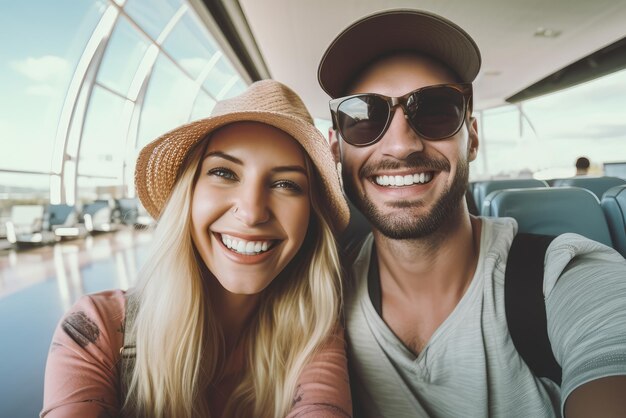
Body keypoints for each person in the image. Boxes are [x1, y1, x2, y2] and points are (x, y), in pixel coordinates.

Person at [317, 9, 626, 418]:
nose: (401, 145)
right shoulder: (318, 295)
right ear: (336, 150)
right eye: (364, 118)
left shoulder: (566, 275)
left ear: (473, 138)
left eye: (435, 110)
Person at [41, 80, 353, 418]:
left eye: (285, 184)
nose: (251, 212)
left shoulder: (315, 335)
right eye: (224, 172)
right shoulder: (96, 331)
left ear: (310, 216)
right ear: (188, 194)